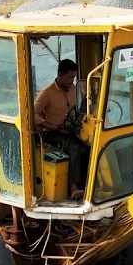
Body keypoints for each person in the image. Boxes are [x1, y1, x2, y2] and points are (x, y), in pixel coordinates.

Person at [34, 59, 85, 198]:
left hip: (72, 130)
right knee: (74, 148)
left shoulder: (75, 89)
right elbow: (32, 113)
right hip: (54, 133)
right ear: (60, 74)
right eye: (70, 77)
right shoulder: (47, 93)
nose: (72, 81)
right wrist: (48, 125)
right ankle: (73, 187)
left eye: (74, 77)